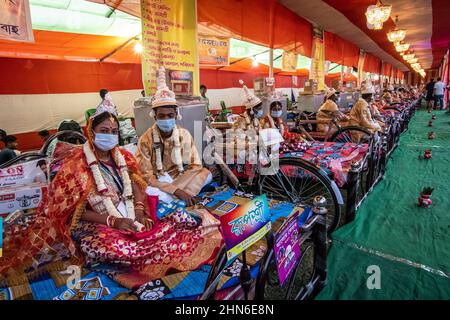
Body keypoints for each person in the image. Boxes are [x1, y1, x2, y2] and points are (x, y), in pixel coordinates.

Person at [0, 100, 222, 287]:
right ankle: (144, 255)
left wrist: (139, 210)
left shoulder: (123, 156)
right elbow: (73, 212)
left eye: (114, 132)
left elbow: (136, 185)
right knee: (112, 247)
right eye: (104, 131)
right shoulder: (75, 166)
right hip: (98, 220)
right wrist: (112, 220)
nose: (110, 135)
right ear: (91, 132)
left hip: (130, 211)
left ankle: (155, 241)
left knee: (177, 218)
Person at [136, 67, 212, 206]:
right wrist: (176, 191)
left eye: (170, 115)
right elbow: (146, 176)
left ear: (176, 115)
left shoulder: (184, 134)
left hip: (180, 177)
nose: (166, 119)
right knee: (151, 192)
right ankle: (182, 197)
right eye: (161, 116)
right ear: (154, 116)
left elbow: (195, 165)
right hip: (158, 181)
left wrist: (177, 187)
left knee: (206, 174)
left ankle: (179, 198)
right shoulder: (145, 140)